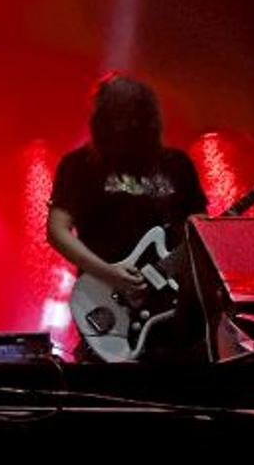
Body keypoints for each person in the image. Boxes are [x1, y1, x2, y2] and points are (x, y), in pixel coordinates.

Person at [47, 73, 208, 362]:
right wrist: (107, 273)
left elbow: (200, 230)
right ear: (103, 120)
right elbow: (57, 230)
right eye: (119, 116)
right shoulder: (79, 166)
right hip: (107, 298)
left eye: (136, 116)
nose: (129, 125)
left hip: (175, 302)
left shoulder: (176, 165)